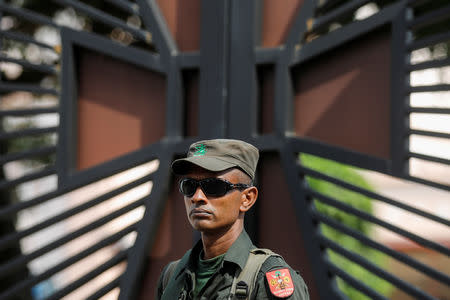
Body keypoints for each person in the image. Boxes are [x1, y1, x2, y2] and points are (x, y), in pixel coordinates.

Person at [155, 139, 309, 300]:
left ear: (247, 199)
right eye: (189, 186)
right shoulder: (171, 276)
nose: (197, 197)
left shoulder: (267, 278)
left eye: (214, 186)